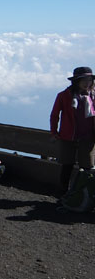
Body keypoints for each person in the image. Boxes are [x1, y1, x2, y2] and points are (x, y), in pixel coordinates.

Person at [50, 66, 95, 194]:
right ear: (76, 81)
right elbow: (54, 115)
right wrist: (54, 132)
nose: (87, 83)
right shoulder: (64, 96)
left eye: (89, 80)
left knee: (86, 167)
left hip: (88, 137)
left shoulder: (93, 95)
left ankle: (82, 196)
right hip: (68, 137)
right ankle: (63, 193)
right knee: (67, 165)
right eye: (84, 80)